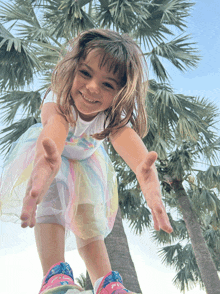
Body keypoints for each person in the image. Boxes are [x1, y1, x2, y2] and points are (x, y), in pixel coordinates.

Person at [0, 29, 173, 294]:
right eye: (85, 73)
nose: (93, 87)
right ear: (72, 68)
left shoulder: (109, 116)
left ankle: (106, 284)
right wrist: (48, 162)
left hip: (88, 167)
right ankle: (55, 277)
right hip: (51, 155)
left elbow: (126, 139)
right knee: (54, 201)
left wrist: (143, 169)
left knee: (89, 226)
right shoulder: (58, 99)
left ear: (120, 93)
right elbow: (54, 125)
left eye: (108, 84)